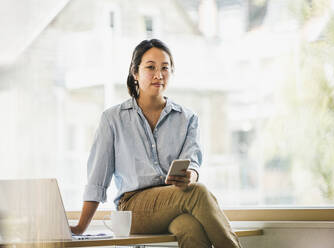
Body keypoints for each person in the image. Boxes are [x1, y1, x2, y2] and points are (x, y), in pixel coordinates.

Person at [70, 39, 241, 248]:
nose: (159, 75)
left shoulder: (187, 118)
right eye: (150, 67)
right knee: (198, 193)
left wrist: (190, 176)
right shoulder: (113, 119)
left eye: (165, 68)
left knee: (191, 228)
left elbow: (193, 163)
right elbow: (97, 179)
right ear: (135, 72)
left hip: (174, 203)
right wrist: (80, 227)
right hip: (133, 208)